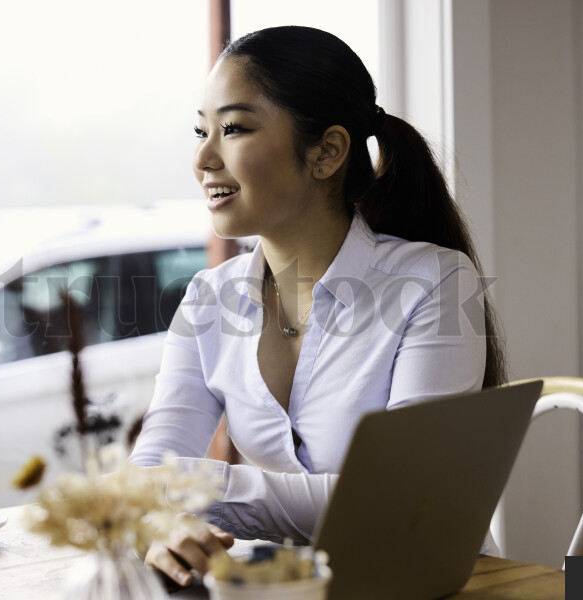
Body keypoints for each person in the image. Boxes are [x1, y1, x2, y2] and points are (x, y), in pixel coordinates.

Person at [129, 25, 506, 587]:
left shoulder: (436, 282)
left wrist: (200, 488)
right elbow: (146, 478)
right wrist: (161, 523)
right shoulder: (210, 298)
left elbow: (398, 505)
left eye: (232, 128)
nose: (203, 158)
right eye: (201, 130)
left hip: (427, 586)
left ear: (327, 151)